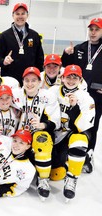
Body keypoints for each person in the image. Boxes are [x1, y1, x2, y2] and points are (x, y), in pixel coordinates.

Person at [61, 17, 102, 173]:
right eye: (91, 29)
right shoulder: (80, 48)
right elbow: (67, 68)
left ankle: (88, 155)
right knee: (74, 123)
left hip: (97, 96)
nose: (93, 32)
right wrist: (66, 54)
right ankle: (71, 152)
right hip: (77, 94)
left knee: (92, 125)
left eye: (96, 29)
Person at [48, 65, 95, 202]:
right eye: (68, 76)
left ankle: (72, 178)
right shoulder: (53, 92)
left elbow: (81, 127)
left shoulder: (86, 98)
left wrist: (74, 108)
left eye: (75, 77)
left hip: (71, 133)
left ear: (80, 80)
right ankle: (79, 158)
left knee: (79, 139)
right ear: (62, 78)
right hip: (56, 133)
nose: (71, 80)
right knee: (55, 174)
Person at [16, 66, 60, 201]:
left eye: (33, 80)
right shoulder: (16, 94)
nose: (30, 84)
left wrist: (43, 125)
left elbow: (55, 121)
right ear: (22, 81)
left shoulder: (48, 96)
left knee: (42, 139)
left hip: (38, 135)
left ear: (40, 82)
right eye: (27, 80)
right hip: (20, 136)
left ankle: (43, 179)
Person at [0, 3, 44, 86]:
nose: (20, 16)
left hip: (30, 80)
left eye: (23, 14)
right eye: (17, 14)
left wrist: (38, 77)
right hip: (9, 79)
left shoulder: (34, 35)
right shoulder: (4, 36)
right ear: (13, 15)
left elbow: (39, 59)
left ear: (27, 15)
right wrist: (3, 61)